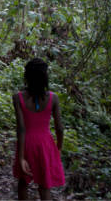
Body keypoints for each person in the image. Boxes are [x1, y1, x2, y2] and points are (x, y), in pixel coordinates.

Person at [13, 58, 65, 200]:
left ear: (27, 76)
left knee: (23, 182)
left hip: (27, 144)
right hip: (45, 145)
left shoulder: (18, 98)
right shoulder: (53, 98)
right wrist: (59, 147)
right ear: (45, 77)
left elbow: (21, 129)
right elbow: (59, 128)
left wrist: (22, 156)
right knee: (44, 185)